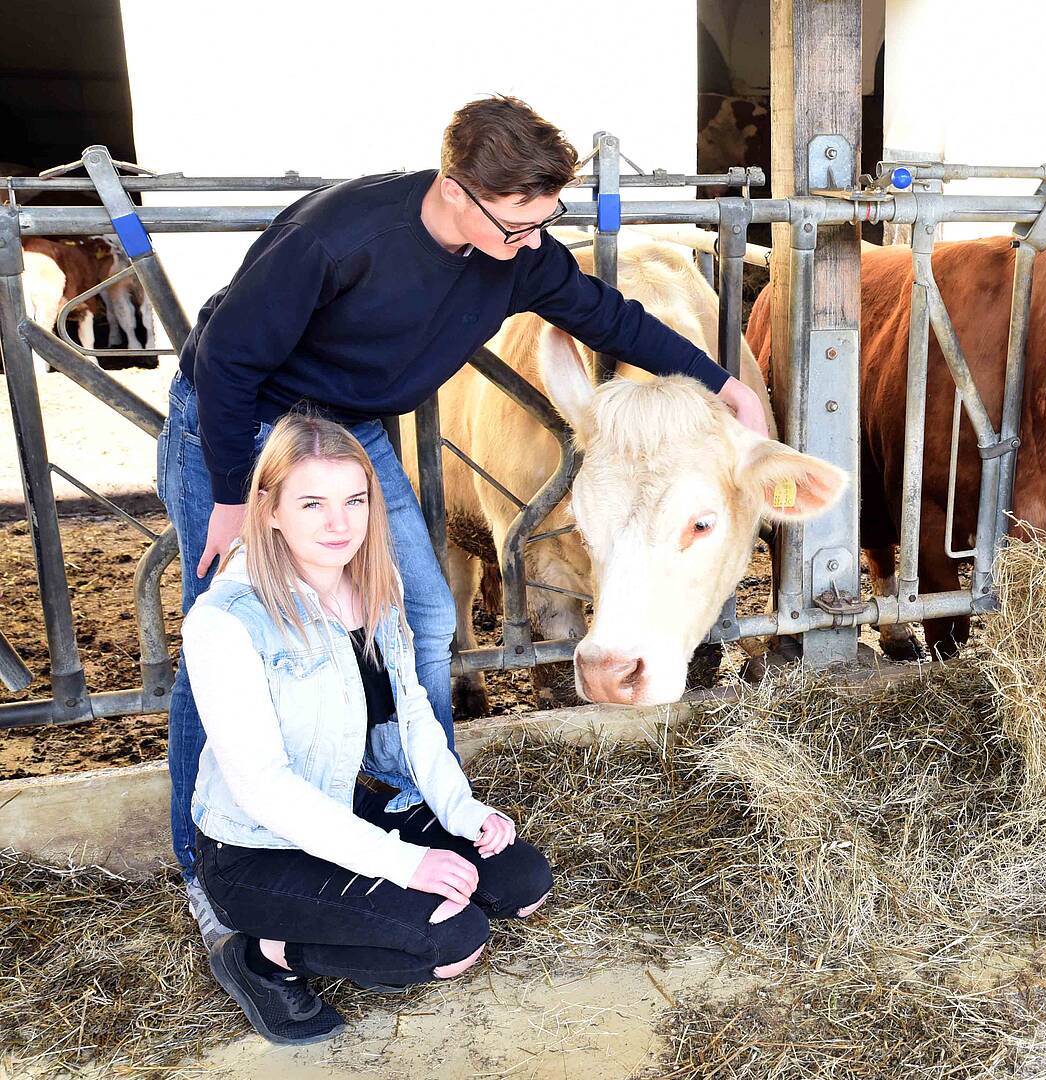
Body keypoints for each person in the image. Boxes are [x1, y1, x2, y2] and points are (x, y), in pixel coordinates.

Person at [157, 94, 768, 907]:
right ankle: (207, 869)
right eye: (519, 224)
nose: (533, 243)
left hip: (348, 432)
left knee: (424, 615)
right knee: (226, 639)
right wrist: (233, 497)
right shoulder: (336, 241)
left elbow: (608, 317)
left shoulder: (516, 251)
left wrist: (724, 385)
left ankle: (420, 807)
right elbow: (226, 362)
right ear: (455, 190)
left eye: (546, 221)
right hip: (237, 430)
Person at [183, 413, 553, 1045]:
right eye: (313, 503)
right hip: (262, 848)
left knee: (522, 883)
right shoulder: (226, 621)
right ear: (269, 509)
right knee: (453, 941)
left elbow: (414, 720)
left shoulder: (373, 588)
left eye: (355, 501)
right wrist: (405, 863)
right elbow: (264, 787)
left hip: (361, 809)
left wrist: (461, 813)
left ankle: (380, 900)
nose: (339, 523)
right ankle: (261, 954)